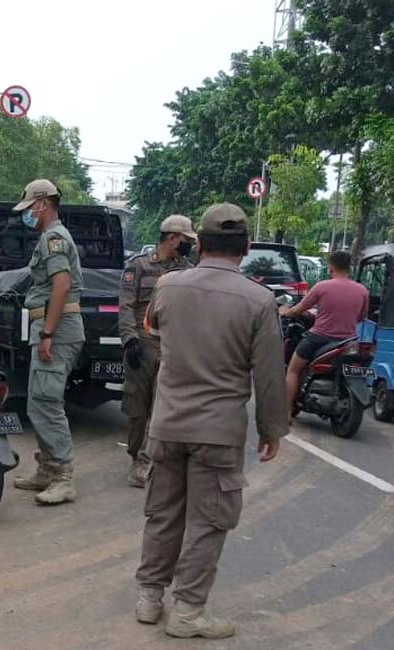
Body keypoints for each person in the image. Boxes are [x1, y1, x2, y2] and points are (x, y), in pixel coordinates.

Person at [135, 203, 288, 640]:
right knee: (208, 521)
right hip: (217, 431)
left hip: (166, 423)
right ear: (247, 248)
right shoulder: (259, 301)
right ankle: (187, 612)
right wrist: (271, 429)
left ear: (199, 244)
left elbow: (151, 327)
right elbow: (269, 374)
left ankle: (149, 597)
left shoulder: (168, 285)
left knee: (162, 511)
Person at [11, 179, 85, 506]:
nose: (28, 214)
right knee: (37, 402)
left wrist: (48, 333)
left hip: (58, 329)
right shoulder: (50, 236)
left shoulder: (54, 238)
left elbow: (61, 286)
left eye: (29, 208)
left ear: (43, 203)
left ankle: (63, 476)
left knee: (47, 403)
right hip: (51, 325)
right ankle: (46, 469)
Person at [119, 215, 196, 488]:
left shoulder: (188, 270)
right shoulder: (138, 266)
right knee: (137, 405)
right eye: (186, 241)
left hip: (171, 345)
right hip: (142, 343)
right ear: (172, 238)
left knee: (161, 406)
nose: (190, 246)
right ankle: (135, 454)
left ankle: (146, 461)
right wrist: (129, 341)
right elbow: (126, 306)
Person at [279, 250, 369, 420]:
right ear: (349, 267)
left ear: (331, 267)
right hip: (349, 341)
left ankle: (286, 412)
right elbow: (362, 316)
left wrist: (286, 312)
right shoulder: (362, 290)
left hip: (319, 338)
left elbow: (299, 310)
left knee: (292, 370)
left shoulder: (322, 286)